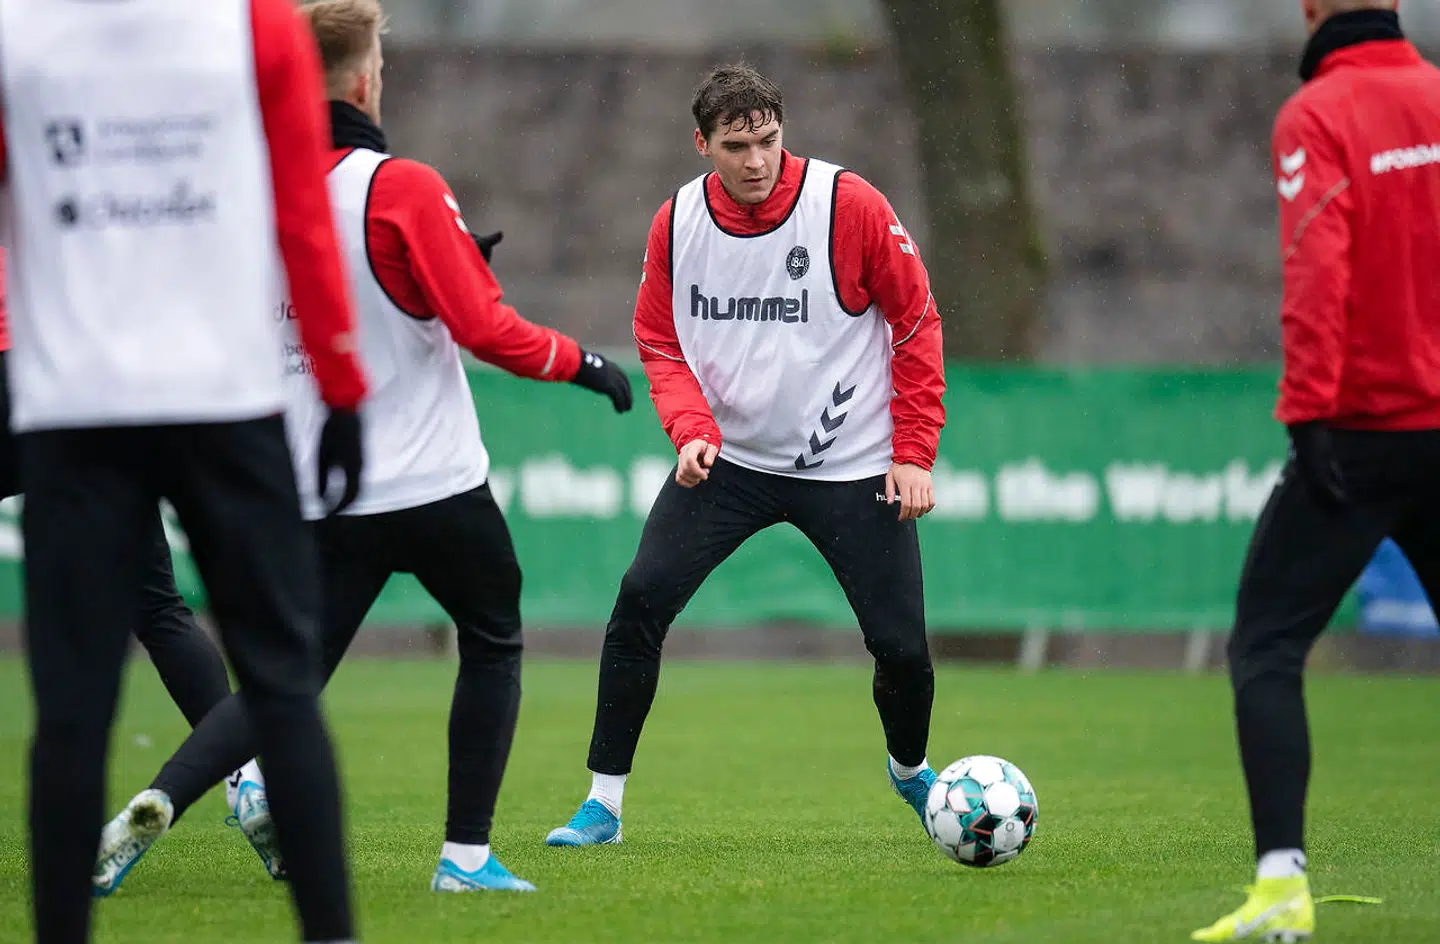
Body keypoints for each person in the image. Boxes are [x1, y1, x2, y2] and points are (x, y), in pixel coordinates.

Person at [96, 0, 634, 896]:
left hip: (327, 490)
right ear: (364, 77)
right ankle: (465, 857)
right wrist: (587, 365)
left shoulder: (246, 196)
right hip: (435, 483)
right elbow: (482, 326)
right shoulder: (403, 186)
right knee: (494, 639)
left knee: (281, 685)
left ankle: (155, 800)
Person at [0, 0, 372, 944]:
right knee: (283, 684)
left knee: (73, 708)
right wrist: (339, 385)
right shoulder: (255, 24)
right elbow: (299, 211)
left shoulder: (17, 30)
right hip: (224, 402)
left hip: (75, 408)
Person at [545, 63, 946, 847]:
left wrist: (915, 451)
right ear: (702, 145)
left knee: (901, 648)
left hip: (852, 465)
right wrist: (691, 430)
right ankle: (603, 804)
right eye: (736, 146)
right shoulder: (677, 222)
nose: (756, 160)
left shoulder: (850, 204)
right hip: (729, 466)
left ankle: (908, 769)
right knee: (638, 604)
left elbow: (916, 322)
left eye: (767, 140)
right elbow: (658, 340)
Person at [1192, 0, 1440, 944]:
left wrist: (1307, 413)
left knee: (1265, 645)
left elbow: (1318, 268)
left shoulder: (1319, 114)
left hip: (1366, 432)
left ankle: (1281, 884)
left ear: (1309, 8)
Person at [0, 252, 235, 735]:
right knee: (158, 608)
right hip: (81, 387)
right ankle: (246, 776)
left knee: (143, 608)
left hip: (57, 378)